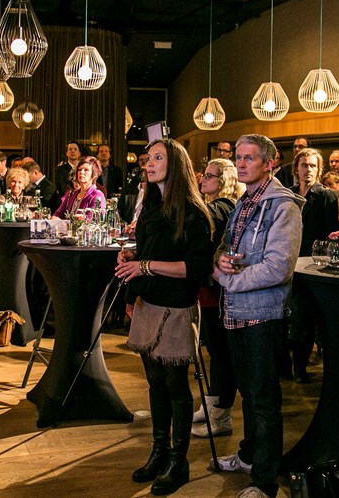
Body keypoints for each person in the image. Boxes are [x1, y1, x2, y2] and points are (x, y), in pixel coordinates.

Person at [116, 138, 213, 496]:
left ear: (177, 164)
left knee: (175, 386)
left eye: (158, 157)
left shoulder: (192, 211)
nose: (149, 163)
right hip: (149, 301)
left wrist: (145, 265)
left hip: (175, 305)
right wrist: (133, 259)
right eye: (148, 158)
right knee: (155, 383)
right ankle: (158, 452)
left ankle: (179, 460)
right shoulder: (152, 205)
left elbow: (196, 268)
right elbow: (152, 251)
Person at [212, 134, 303, 498]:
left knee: (264, 400)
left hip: (262, 313)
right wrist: (219, 260)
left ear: (269, 162)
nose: (242, 163)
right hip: (236, 311)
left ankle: (264, 481)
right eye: (239, 157)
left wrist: (231, 282)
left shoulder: (284, 206)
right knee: (249, 395)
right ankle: (250, 455)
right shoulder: (244, 200)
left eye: (250, 158)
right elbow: (226, 245)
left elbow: (280, 267)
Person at [192, 158, 245, 438]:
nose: (203, 180)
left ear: (223, 181)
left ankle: (221, 415)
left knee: (220, 352)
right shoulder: (219, 205)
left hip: (217, 289)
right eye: (204, 175)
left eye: (210, 176)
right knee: (215, 350)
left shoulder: (220, 207)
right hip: (211, 288)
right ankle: (212, 405)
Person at [289, 148, 339, 383]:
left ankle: (301, 367)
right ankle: (291, 365)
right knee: (291, 319)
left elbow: (329, 235)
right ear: (296, 168)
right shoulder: (289, 194)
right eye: (303, 165)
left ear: (319, 169)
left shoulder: (327, 196)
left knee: (306, 319)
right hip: (287, 262)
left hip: (311, 265)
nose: (307, 169)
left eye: (312, 165)